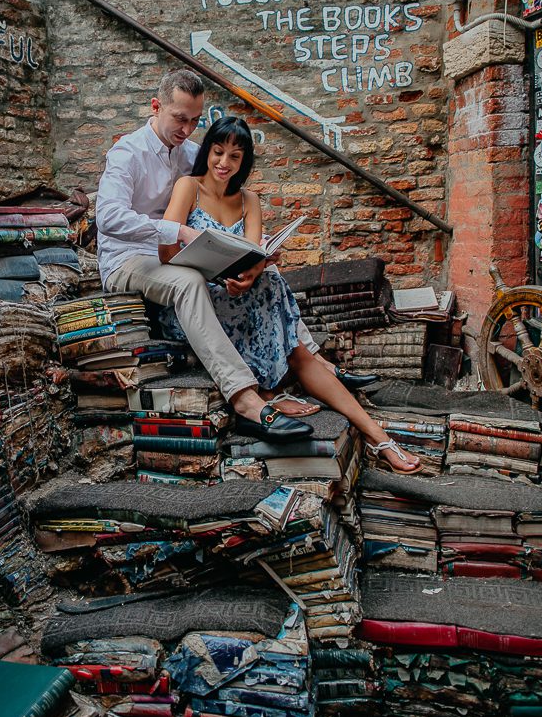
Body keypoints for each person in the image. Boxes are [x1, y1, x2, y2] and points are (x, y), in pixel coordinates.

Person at [95, 69, 383, 445]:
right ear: (155, 107)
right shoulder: (126, 153)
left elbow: (218, 197)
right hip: (128, 259)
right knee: (189, 282)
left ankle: (317, 363)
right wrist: (177, 231)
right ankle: (245, 397)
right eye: (179, 118)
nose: (187, 129)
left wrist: (257, 250)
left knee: (266, 277)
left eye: (195, 120)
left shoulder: (189, 153)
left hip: (176, 256)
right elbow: (108, 217)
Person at [154, 115, 420, 473]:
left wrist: (251, 273)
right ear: (208, 152)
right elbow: (166, 254)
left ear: (244, 161)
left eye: (235, 156)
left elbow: (250, 256)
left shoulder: (249, 199)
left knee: (269, 279)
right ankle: (281, 391)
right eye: (218, 152)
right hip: (199, 301)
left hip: (240, 296)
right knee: (284, 319)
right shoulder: (189, 186)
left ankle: (378, 437)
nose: (224, 163)